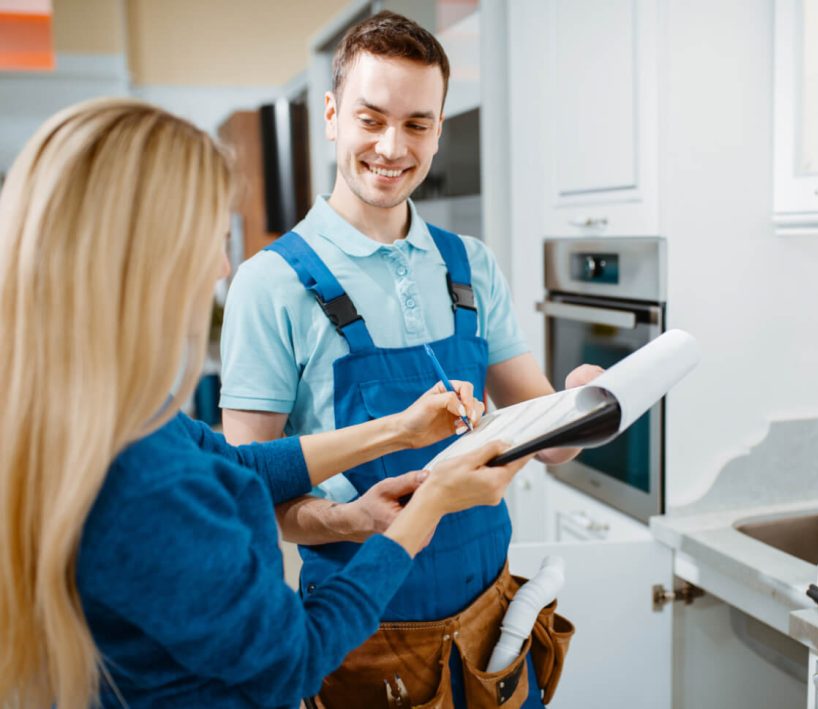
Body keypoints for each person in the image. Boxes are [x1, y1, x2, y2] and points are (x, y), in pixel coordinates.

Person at [0, 98, 530, 709]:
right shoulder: (149, 483)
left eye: (417, 123)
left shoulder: (102, 418)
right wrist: (428, 506)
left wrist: (397, 432)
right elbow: (291, 660)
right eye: (208, 237)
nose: (222, 264)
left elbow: (234, 465)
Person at [219, 10, 600, 707]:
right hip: (363, 640)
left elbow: (547, 445)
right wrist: (353, 518)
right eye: (371, 118)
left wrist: (582, 408)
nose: (393, 147)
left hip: (496, 629)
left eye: (418, 124)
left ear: (439, 128)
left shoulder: (470, 265)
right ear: (332, 115)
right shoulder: (270, 283)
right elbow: (244, 495)